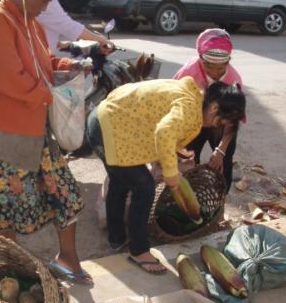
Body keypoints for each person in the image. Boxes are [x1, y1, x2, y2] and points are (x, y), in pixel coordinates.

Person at [0, 0, 92, 285]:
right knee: (8, 211)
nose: (47, 6)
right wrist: (52, 96)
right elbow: (12, 80)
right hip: (4, 134)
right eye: (43, 0)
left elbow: (45, 64)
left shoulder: (30, 22)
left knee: (64, 195)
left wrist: (70, 65)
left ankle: (67, 259)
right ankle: (9, 276)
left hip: (36, 128)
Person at [87, 77, 246, 274]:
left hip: (105, 121)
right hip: (110, 129)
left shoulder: (193, 96)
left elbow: (159, 119)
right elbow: (164, 132)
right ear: (214, 108)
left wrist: (177, 150)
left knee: (121, 182)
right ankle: (138, 250)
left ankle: (116, 237)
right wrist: (172, 174)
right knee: (144, 187)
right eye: (221, 123)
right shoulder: (190, 109)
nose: (217, 127)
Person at [174, 28, 244, 191]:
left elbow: (233, 120)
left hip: (221, 125)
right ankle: (191, 196)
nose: (215, 72)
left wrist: (220, 150)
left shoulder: (234, 80)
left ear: (228, 62)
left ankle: (220, 202)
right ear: (200, 59)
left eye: (220, 68)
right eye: (209, 67)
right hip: (192, 122)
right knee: (188, 162)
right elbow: (174, 105)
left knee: (224, 163)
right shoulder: (187, 73)